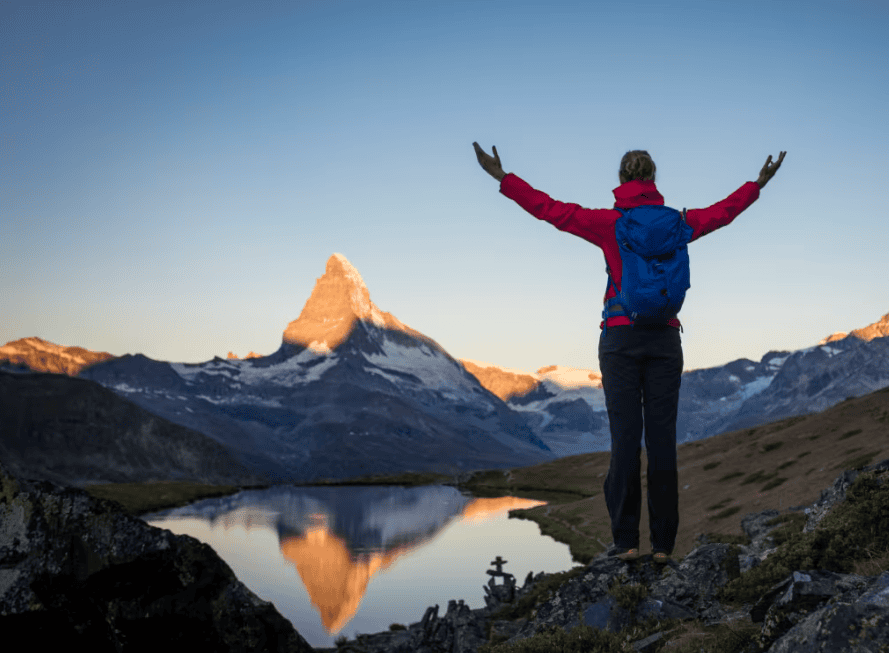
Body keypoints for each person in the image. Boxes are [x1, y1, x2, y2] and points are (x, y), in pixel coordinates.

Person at [472, 142, 786, 562]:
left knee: (624, 441)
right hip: (665, 340)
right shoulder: (679, 224)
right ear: (653, 180)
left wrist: (502, 177)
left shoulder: (610, 223)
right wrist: (757, 184)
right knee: (662, 442)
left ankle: (626, 543)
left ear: (621, 180)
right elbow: (722, 213)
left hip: (620, 337)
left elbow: (551, 210)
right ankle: (663, 547)